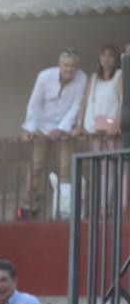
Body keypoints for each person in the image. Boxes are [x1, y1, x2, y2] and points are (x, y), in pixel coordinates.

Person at [21, 50, 88, 219]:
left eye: (73, 66)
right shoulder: (44, 76)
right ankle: (29, 206)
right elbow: (34, 102)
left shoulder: (82, 78)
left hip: (64, 130)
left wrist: (62, 128)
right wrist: (30, 128)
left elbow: (76, 106)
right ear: (59, 65)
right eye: (66, 65)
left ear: (77, 67)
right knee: (36, 166)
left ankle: (65, 210)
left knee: (65, 171)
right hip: (42, 127)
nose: (69, 69)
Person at [80, 44, 123, 151]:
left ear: (116, 59)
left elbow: (123, 101)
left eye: (111, 55)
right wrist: (79, 126)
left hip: (111, 132)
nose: (106, 58)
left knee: (111, 164)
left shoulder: (119, 75)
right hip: (93, 131)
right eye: (103, 55)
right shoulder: (94, 78)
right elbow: (84, 102)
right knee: (94, 164)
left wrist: (117, 124)